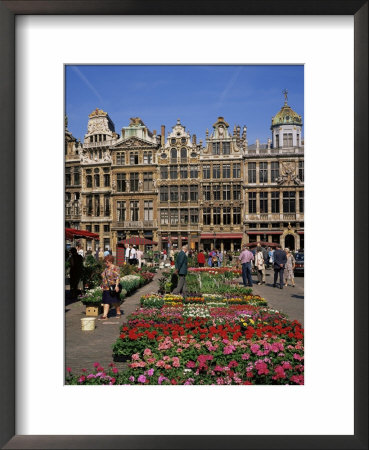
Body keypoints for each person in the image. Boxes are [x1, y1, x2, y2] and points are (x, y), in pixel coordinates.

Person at [100, 254, 121, 319]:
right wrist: (102, 285)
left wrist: (117, 286)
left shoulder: (115, 268)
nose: (106, 263)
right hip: (106, 287)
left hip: (113, 287)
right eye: (105, 262)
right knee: (106, 301)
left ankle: (118, 312)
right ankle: (105, 315)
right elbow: (103, 277)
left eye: (107, 262)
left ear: (111, 262)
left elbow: (117, 277)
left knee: (115, 301)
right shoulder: (106, 269)